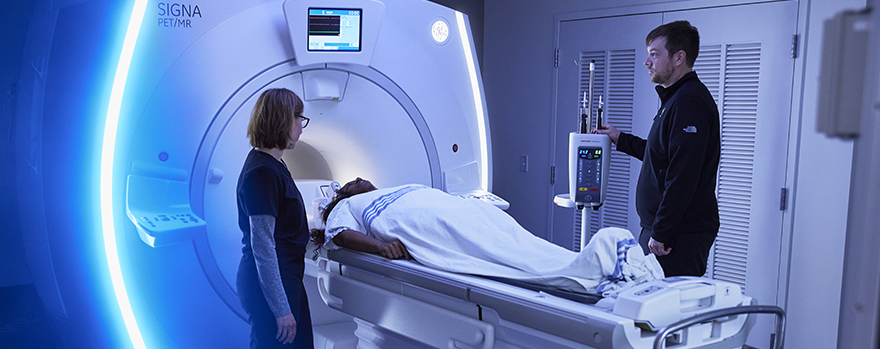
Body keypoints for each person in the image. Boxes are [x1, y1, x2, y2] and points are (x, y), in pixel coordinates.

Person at [310, 178, 664, 295]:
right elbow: (339, 235)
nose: (358, 178)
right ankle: (592, 265)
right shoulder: (351, 204)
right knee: (500, 254)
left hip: (461, 210)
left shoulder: (398, 185)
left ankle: (599, 263)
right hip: (433, 224)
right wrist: (380, 245)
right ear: (344, 193)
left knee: (516, 241)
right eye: (350, 181)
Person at [594, 20, 720, 277]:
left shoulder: (688, 103)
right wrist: (621, 139)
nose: (647, 62)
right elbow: (662, 156)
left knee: (663, 312)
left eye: (654, 54)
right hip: (665, 231)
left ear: (678, 58)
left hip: (676, 237)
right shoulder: (675, 99)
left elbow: (682, 174)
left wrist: (661, 232)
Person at [236, 88, 313, 348]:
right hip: (270, 285)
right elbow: (263, 246)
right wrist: (281, 309)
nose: (301, 127)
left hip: (286, 278)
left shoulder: (274, 164)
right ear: (282, 119)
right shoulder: (262, 172)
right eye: (298, 118)